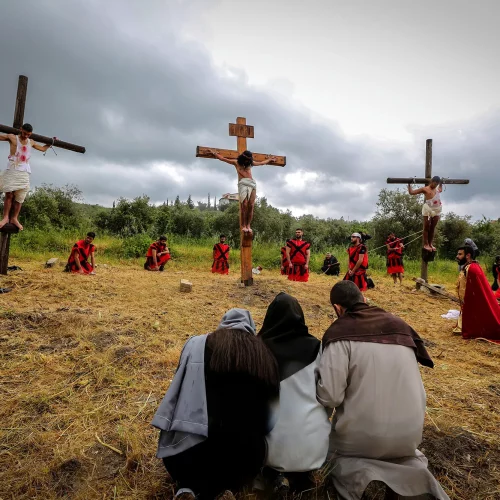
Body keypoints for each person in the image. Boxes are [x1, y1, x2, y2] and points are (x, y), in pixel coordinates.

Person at [316, 281, 449, 500]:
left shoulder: (339, 334)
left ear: (338, 308)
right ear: (364, 300)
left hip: (359, 443)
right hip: (409, 438)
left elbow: (330, 396)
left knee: (327, 451)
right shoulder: (400, 327)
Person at [152, 309, 280, 500]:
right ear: (251, 328)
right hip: (242, 460)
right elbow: (269, 423)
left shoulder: (196, 346)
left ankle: (187, 487)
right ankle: (227, 489)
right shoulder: (265, 356)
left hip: (189, 459)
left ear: (222, 325)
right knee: (250, 450)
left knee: (188, 465)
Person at [258, 293, 330, 492]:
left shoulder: (258, 348)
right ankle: (301, 475)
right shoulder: (317, 347)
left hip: (269, 447)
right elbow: (328, 393)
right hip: (313, 446)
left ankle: (275, 475)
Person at [0, 124, 54, 230]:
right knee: (9, 194)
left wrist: (50, 143)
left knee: (20, 197)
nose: (26, 136)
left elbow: (42, 149)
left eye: (28, 134)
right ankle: (5, 217)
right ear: (21, 130)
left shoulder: (31, 142)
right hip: (12, 169)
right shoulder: (12, 137)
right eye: (24, 133)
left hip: (24, 171)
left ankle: (14, 218)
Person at [209, 149, 277, 234]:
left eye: (249, 160)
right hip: (243, 184)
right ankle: (244, 225)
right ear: (242, 158)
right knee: (244, 204)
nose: (247, 161)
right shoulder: (236, 162)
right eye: (246, 159)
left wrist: (270, 160)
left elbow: (261, 163)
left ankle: (248, 225)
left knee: (251, 205)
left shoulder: (250, 164)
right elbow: (224, 159)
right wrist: (215, 154)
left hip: (252, 184)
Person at [453, 246, 500, 343]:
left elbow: (478, 292)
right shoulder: (468, 266)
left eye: (460, 254)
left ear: (468, 255)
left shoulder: (472, 268)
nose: (457, 256)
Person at [408, 176, 443, 252]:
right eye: (434, 184)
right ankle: (426, 244)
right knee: (427, 226)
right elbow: (412, 192)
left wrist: (441, 183)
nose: (435, 186)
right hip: (428, 209)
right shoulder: (425, 189)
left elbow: (440, 189)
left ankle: (430, 244)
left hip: (436, 210)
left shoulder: (437, 189)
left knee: (433, 227)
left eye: (437, 184)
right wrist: (409, 184)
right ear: (431, 181)